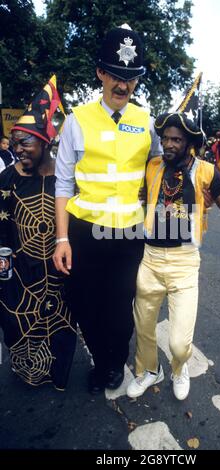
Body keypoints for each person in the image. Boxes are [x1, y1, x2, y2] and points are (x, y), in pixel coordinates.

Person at [126, 111, 220, 401]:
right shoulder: (152, 166)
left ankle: (179, 368)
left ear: (189, 142)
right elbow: (138, 198)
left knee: (179, 344)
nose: (168, 144)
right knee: (143, 327)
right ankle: (150, 370)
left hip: (184, 263)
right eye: (165, 138)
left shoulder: (206, 171)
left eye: (176, 139)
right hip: (150, 259)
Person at [53, 24, 162, 394]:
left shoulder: (147, 123)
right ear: (101, 72)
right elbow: (63, 184)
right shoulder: (77, 121)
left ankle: (112, 364)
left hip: (129, 234)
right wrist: (62, 238)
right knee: (84, 305)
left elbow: (167, 172)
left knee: (119, 312)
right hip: (85, 232)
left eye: (130, 78)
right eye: (116, 75)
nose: (122, 85)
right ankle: (102, 356)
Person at [0, 77, 76, 390]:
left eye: (25, 144)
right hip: (20, 270)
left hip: (59, 268)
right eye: (14, 143)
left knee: (60, 326)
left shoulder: (66, 176)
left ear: (43, 142)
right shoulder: (6, 180)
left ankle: (57, 375)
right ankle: (28, 371)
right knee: (17, 324)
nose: (18, 151)